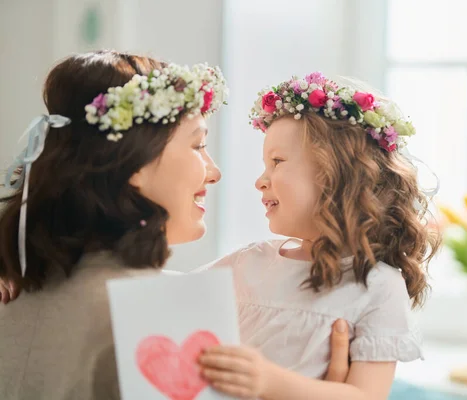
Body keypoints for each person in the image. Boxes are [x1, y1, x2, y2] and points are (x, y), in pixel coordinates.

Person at [0, 51, 350, 400]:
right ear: (134, 160)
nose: (214, 172)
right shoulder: (161, 309)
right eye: (198, 145)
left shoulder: (20, 289)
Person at [194, 72, 441, 400]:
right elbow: (169, 293)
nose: (261, 181)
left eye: (277, 162)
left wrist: (269, 383)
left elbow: (366, 396)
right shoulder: (247, 262)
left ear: (337, 176)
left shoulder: (378, 285)